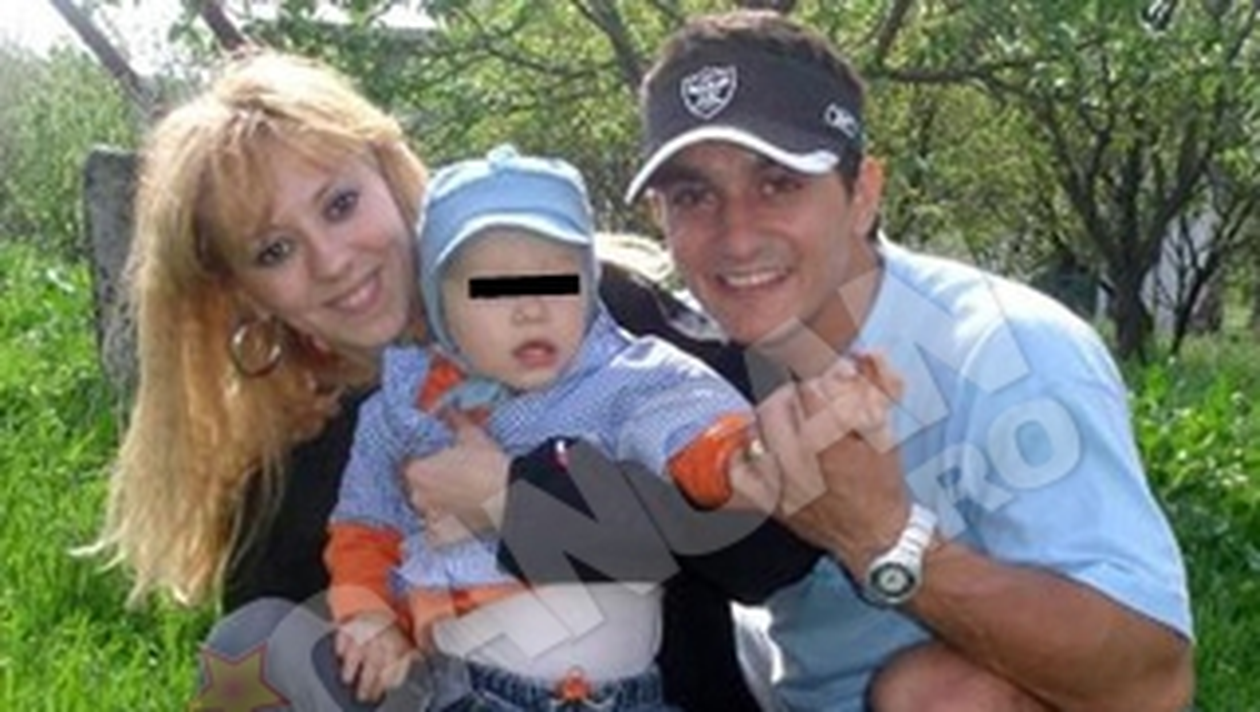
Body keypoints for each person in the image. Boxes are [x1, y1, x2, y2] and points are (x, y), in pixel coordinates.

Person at [91, 49, 817, 711]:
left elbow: (772, 554)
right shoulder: (293, 478)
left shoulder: (582, 314)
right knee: (249, 648)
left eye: (340, 205)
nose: (332, 261)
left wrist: (517, 504)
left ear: (389, 173)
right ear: (243, 293)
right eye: (275, 250)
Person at [623, 9, 1196, 711]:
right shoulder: (670, 354)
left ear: (863, 195)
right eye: (694, 196)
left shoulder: (1006, 351)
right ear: (660, 218)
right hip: (771, 688)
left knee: (940, 696)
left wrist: (882, 537)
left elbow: (1154, 683)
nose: (737, 237)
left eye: (779, 184)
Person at [326, 144, 766, 709]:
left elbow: (687, 420)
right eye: (492, 288)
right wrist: (368, 615)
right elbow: (365, 522)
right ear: (441, 308)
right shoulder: (405, 407)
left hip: (630, 695)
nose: (531, 308)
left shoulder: (621, 375)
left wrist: (732, 458)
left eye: (558, 280)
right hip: (474, 689)